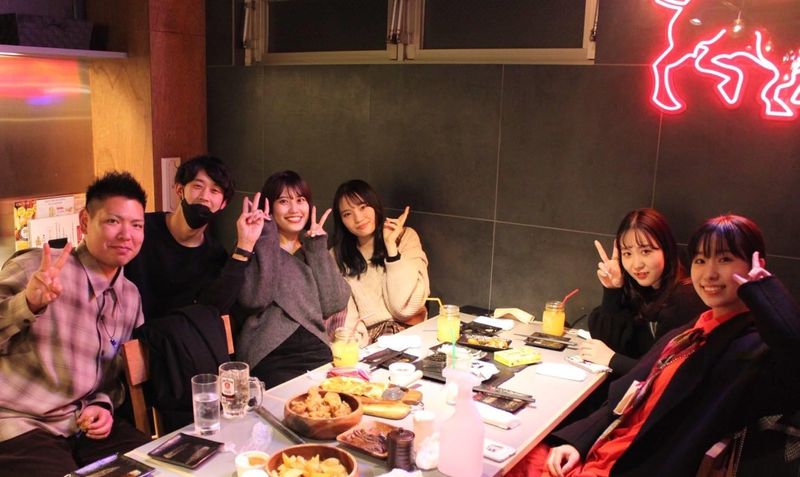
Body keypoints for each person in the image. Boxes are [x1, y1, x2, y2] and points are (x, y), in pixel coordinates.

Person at [531, 214, 800, 477]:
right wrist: (578, 443)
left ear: (755, 265)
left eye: (725, 259)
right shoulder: (694, 328)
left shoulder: (752, 347)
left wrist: (764, 289)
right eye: (700, 260)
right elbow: (630, 395)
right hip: (602, 451)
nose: (709, 273)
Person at [0, 172, 151, 474]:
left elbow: (110, 377)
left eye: (137, 225)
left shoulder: (130, 297)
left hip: (80, 425)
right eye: (113, 221)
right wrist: (28, 304)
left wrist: (103, 405)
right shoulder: (36, 269)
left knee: (154, 466)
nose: (127, 235)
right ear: (84, 221)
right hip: (20, 423)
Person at [236, 171, 350, 388]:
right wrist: (266, 239)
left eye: (300, 200)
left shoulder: (312, 248)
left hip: (315, 350)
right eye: (283, 201)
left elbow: (334, 304)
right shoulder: (254, 245)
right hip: (269, 354)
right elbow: (254, 300)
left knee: (339, 398)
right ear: (269, 207)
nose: (294, 209)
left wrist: (318, 248)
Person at [125, 155, 266, 321]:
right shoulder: (140, 228)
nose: (204, 196)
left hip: (172, 335)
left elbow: (215, 309)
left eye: (215, 191)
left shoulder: (215, 256)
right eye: (198, 186)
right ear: (180, 190)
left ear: (223, 204)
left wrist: (245, 243)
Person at [579, 208, 706, 376]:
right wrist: (612, 290)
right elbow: (605, 342)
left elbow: (668, 372)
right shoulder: (645, 291)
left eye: (646, 251)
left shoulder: (684, 298)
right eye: (627, 253)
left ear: (666, 249)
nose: (636, 264)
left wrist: (612, 359)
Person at [330, 179, 430, 344]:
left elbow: (403, 309)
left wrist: (391, 249)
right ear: (341, 220)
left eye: (363, 207)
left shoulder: (405, 238)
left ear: (374, 205)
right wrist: (358, 348)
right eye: (347, 214)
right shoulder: (336, 256)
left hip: (414, 336)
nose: (358, 218)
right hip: (369, 343)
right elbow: (347, 318)